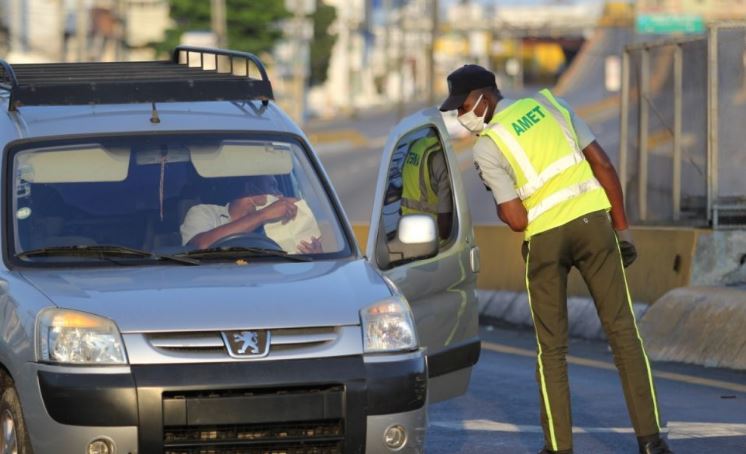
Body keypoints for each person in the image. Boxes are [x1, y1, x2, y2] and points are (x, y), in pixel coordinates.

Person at [439, 64, 672, 454]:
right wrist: (622, 228)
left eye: (462, 107)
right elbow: (603, 165)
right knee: (624, 334)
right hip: (594, 224)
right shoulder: (552, 105)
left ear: (483, 97)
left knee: (552, 350)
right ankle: (651, 441)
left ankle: (559, 448)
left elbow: (515, 219)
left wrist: (501, 196)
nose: (462, 118)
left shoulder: (487, 146)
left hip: (546, 240)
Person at [180, 175, 321, 253]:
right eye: (272, 187)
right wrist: (262, 215)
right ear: (252, 190)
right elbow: (201, 246)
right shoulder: (203, 212)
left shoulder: (279, 225)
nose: (280, 194)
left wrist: (315, 255)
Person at [401, 135, 453, 240]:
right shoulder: (439, 157)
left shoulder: (415, 145)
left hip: (405, 230)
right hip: (430, 238)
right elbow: (444, 228)